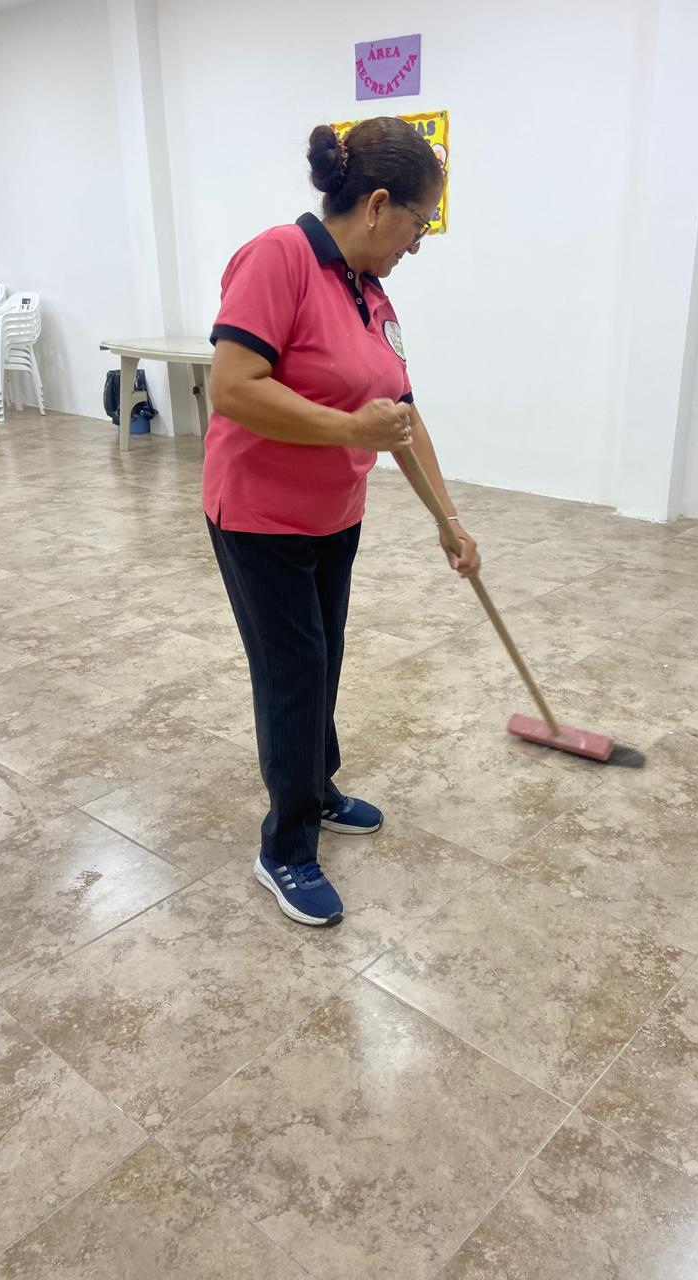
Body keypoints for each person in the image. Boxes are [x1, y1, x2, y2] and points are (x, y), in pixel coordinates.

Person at [205, 117, 480, 928]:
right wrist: (348, 429)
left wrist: (448, 520)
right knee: (293, 672)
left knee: (323, 660)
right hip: (259, 516)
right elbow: (234, 387)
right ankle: (285, 848)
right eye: (418, 224)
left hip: (333, 513)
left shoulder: (371, 291)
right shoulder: (277, 258)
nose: (417, 244)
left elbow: (402, 417)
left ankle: (316, 787)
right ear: (379, 203)